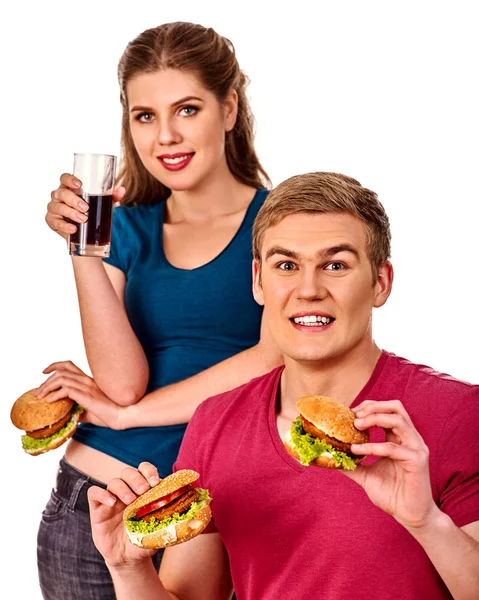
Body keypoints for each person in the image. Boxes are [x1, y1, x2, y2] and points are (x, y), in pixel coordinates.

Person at [86, 172, 479, 600]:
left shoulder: (458, 414)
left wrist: (426, 521)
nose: (308, 290)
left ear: (380, 283)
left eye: (335, 265)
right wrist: (127, 569)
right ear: (258, 280)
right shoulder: (216, 423)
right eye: (286, 266)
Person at [35, 21, 282, 600]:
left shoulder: (280, 223)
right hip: (95, 505)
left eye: (187, 109)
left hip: (215, 512)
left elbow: (274, 358)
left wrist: (130, 417)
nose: (165, 136)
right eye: (145, 116)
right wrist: (83, 249)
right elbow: (121, 385)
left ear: (229, 108)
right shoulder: (127, 228)